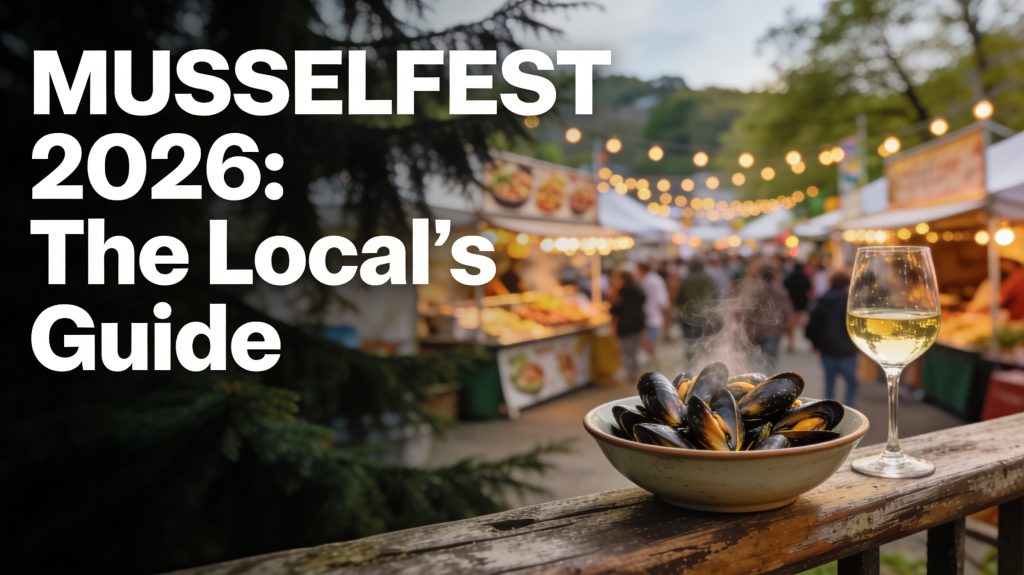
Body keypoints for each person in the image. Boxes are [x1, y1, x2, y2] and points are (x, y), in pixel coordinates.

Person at [806, 270, 860, 406]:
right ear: (847, 284)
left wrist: (815, 344)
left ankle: (829, 411)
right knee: (852, 382)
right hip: (847, 350)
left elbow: (812, 326)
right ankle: (849, 408)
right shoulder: (850, 302)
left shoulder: (821, 301)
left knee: (829, 381)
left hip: (826, 349)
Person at [739, 263, 793, 366]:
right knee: (769, 362)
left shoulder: (752, 291)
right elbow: (786, 311)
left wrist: (744, 327)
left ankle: (755, 381)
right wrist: (787, 327)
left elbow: (744, 310)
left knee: (754, 362)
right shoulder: (781, 291)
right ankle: (767, 380)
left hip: (755, 331)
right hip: (773, 332)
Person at [675, 258, 719, 365]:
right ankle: (706, 366)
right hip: (706, 318)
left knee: (690, 344)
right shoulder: (708, 278)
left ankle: (690, 369)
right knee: (706, 343)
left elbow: (678, 300)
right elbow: (715, 297)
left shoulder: (686, 279)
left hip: (688, 318)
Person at [609, 267, 646, 382]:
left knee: (626, 351)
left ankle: (630, 374)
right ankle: (635, 372)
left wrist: (613, 301)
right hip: (637, 324)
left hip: (626, 325)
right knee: (634, 350)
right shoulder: (638, 289)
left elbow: (616, 309)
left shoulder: (622, 292)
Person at [637, 262, 670, 356]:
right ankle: (652, 358)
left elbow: (660, 300)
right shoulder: (654, 279)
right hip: (653, 314)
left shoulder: (648, 281)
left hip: (651, 315)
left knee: (650, 341)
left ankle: (652, 358)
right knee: (651, 340)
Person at [784, 261, 813, 352]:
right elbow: (809, 290)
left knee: (791, 326)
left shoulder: (789, 277)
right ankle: (811, 344)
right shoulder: (805, 278)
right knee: (804, 325)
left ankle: (791, 344)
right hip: (802, 305)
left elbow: (784, 290)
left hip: (791, 305)